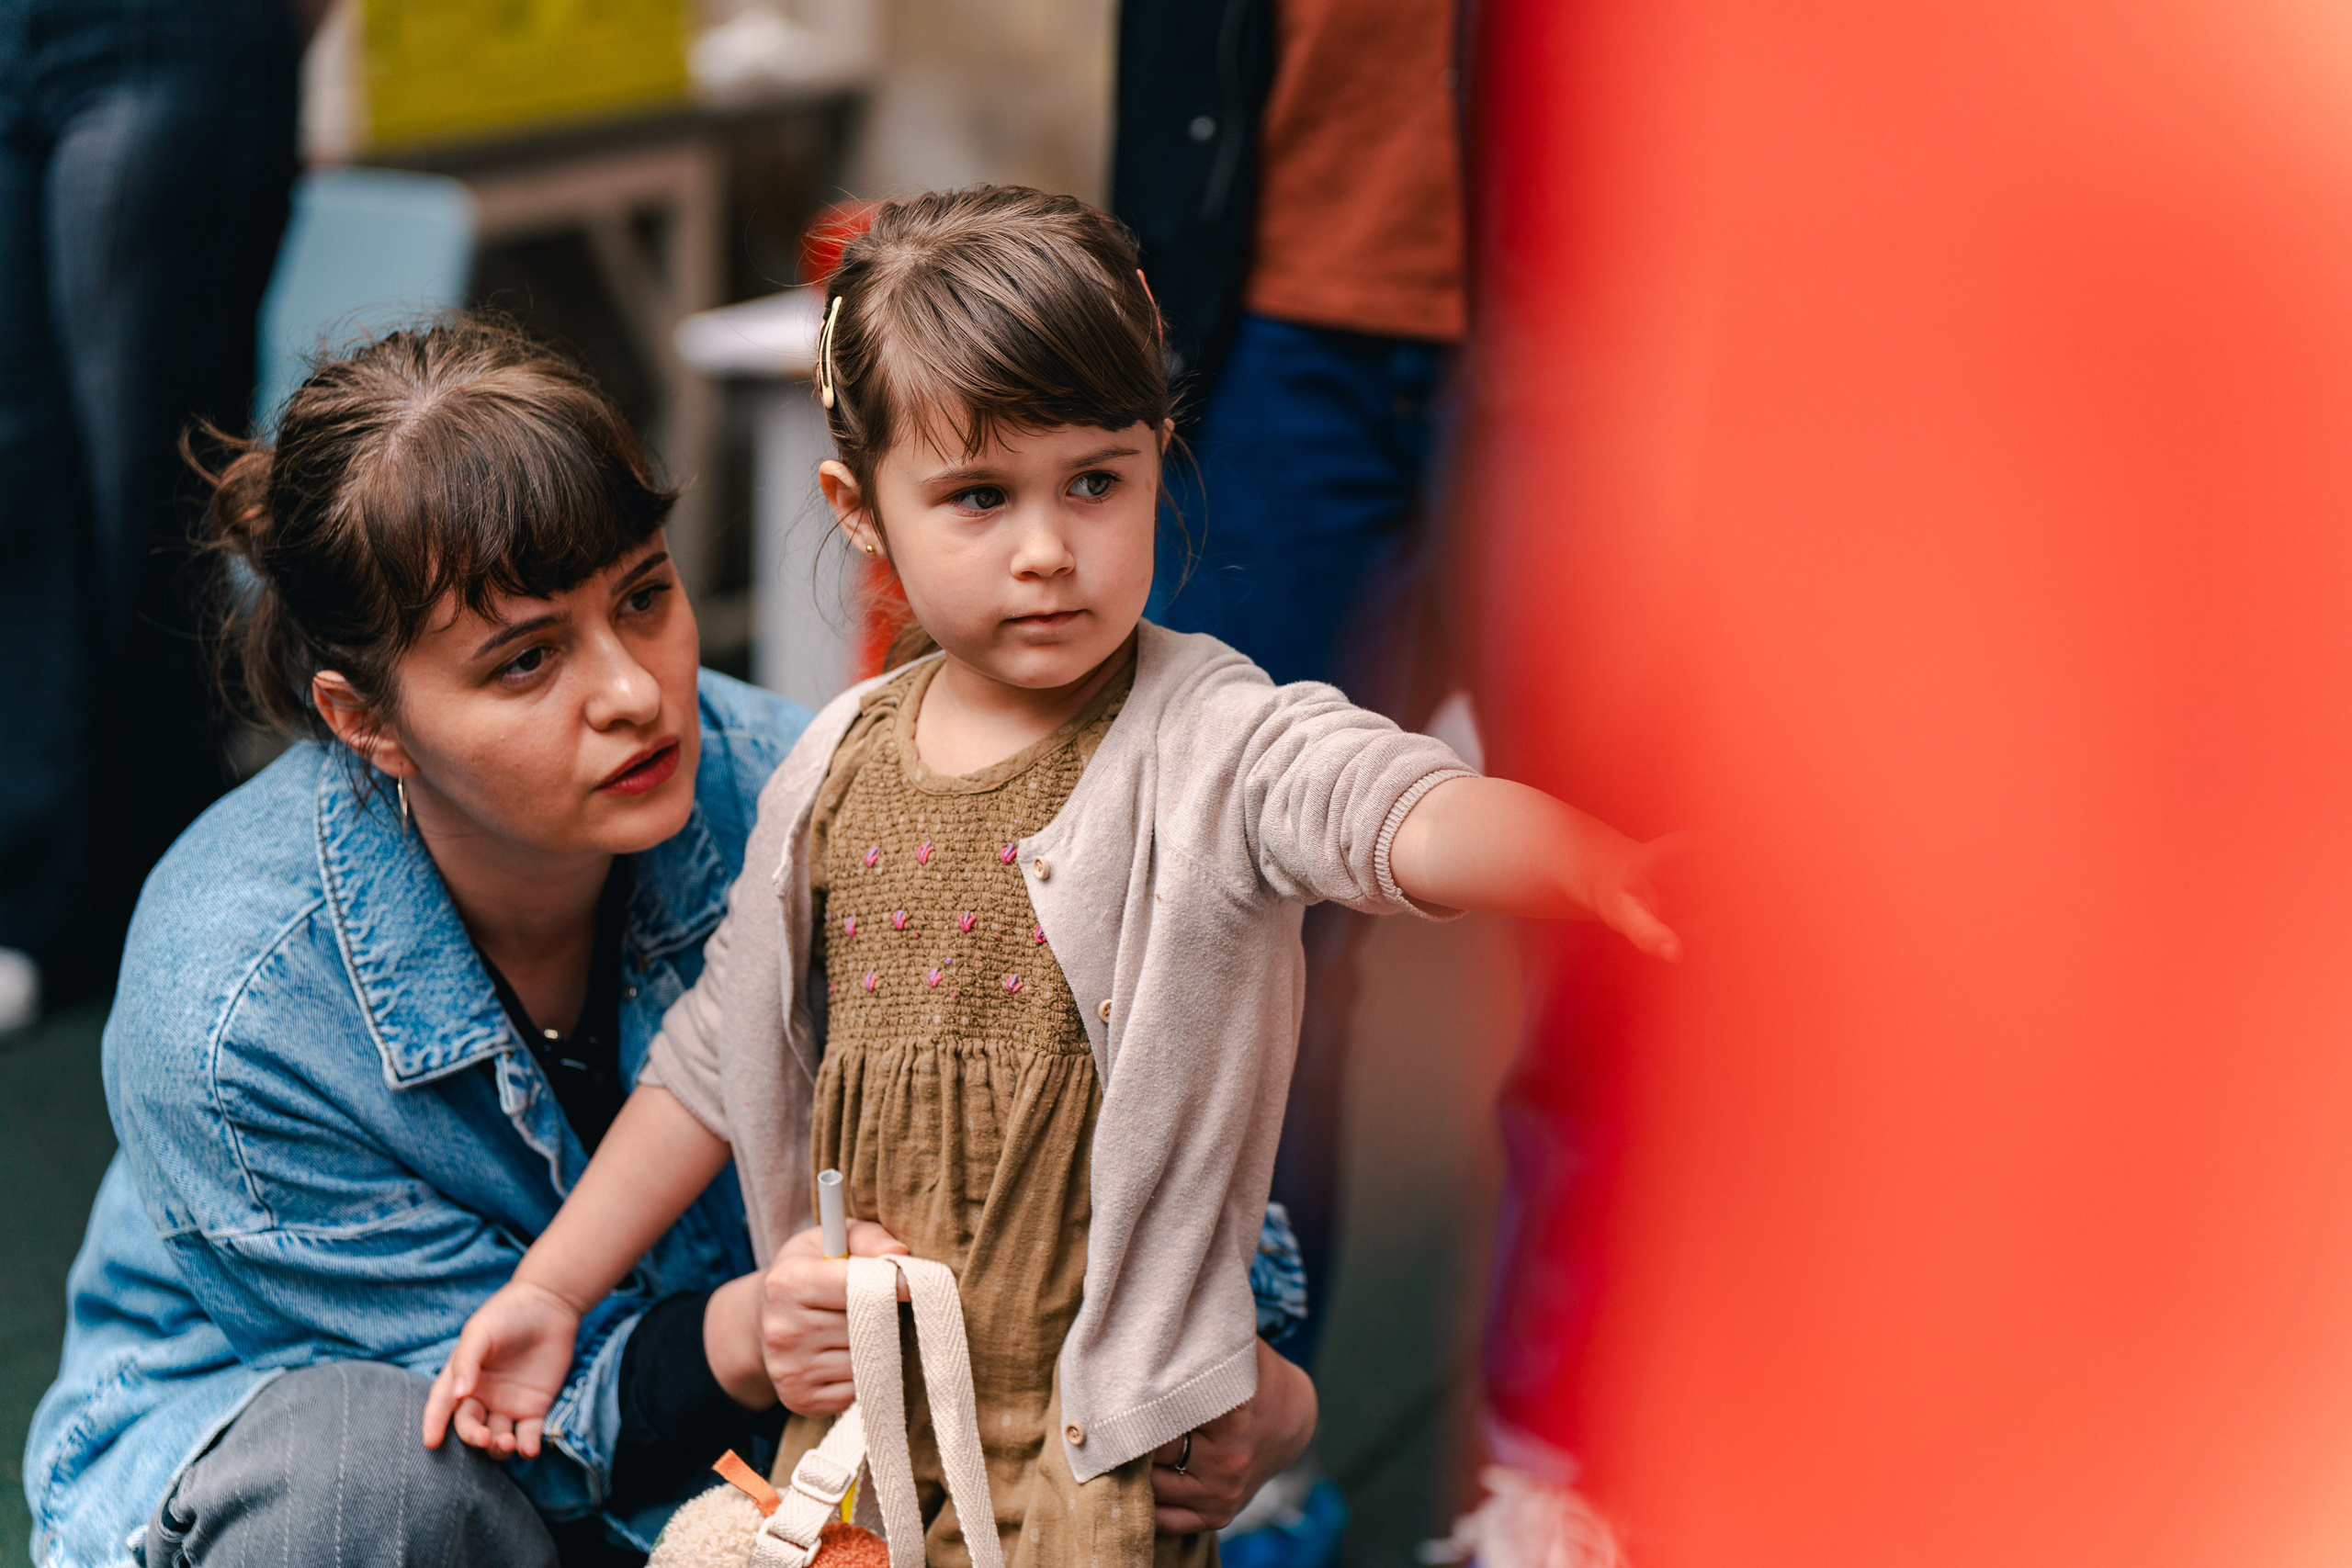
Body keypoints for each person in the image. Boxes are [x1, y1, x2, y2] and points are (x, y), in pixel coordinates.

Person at [424, 187, 1680, 1567]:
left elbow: (1392, 803)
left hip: (1096, 1458)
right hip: (874, 1445)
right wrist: (552, 1286)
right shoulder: (832, 765)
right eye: (979, 496)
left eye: (1097, 479)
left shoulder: (1206, 733)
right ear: (860, 509)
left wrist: (1587, 855)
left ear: (1158, 461)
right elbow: (715, 1056)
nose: (1048, 547)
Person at [1114, 0, 1469, 1373]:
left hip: (1605, 313)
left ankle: (1566, 1444)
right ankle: (1241, 1398)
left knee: (1631, 897)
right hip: (1263, 300)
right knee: (1228, 888)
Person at [0, 0, 314, 1022]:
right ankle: (42, 907)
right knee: (15, 471)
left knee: (148, 483)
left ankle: (166, 898)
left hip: (172, 32)